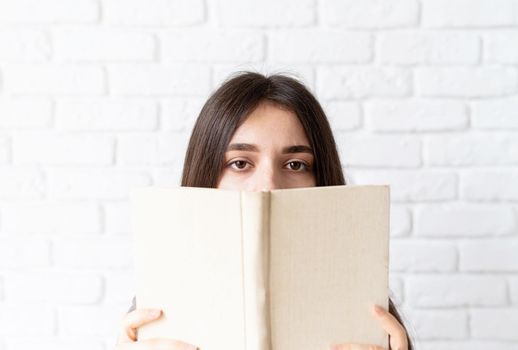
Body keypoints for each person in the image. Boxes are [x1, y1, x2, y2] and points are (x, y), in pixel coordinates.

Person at [114, 71, 414, 350]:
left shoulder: (365, 314)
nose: (269, 186)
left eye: (296, 165)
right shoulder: (159, 313)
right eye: (240, 163)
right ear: (206, 177)